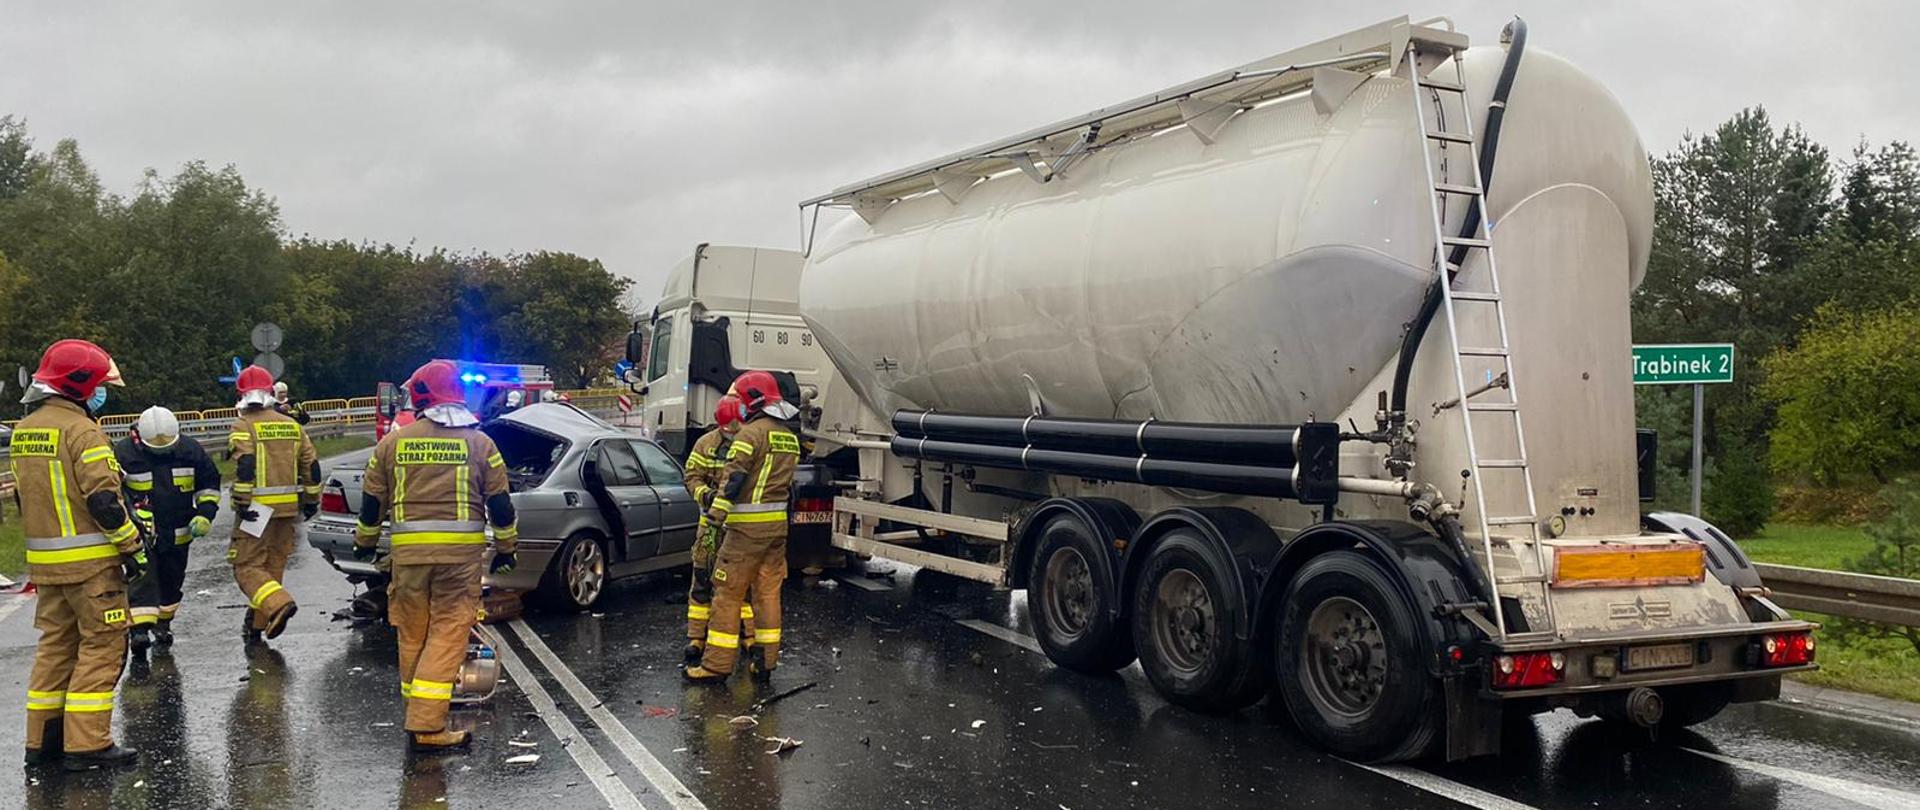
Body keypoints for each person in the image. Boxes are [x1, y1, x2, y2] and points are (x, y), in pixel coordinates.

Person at [355, 359, 518, 752]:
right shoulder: (481, 444)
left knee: (413, 633)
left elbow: (371, 503)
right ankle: (427, 726)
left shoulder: (392, 443)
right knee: (447, 634)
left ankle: (417, 711)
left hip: (408, 559)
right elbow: (499, 504)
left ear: (421, 395)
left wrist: (365, 542)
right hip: (458, 562)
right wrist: (507, 549)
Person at [17, 339, 145, 770]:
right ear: (81, 385)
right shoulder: (82, 431)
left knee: (56, 649)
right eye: (99, 385)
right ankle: (87, 745)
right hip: (91, 567)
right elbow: (105, 503)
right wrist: (133, 546)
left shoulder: (26, 428)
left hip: (47, 566)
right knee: (103, 647)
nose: (102, 393)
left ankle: (42, 744)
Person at [686, 371, 801, 683]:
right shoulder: (788, 436)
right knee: (768, 594)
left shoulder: (749, 436)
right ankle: (765, 663)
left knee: (727, 593)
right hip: (776, 531)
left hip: (744, 532)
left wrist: (714, 517)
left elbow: (733, 481)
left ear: (751, 401)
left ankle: (715, 666)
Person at [116, 406, 221, 654]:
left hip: (179, 530)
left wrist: (205, 515)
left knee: (172, 580)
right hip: (141, 533)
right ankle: (139, 632)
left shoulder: (190, 451)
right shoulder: (124, 453)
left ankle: (163, 625)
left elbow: (208, 485)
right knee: (142, 580)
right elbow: (114, 492)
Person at [228, 365, 320, 645]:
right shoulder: (292, 425)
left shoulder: (243, 425)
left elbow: (245, 466)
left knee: (246, 565)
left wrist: (243, 503)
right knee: (272, 565)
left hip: (257, 510)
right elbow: (312, 466)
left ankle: (278, 603)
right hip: (287, 510)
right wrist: (311, 501)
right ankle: (260, 624)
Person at [681, 394, 753, 666]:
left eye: (737, 426)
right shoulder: (706, 444)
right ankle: (696, 638)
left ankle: (749, 636)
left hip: (740, 528)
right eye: (728, 427)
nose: (733, 432)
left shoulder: (750, 441)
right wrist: (705, 495)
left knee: (742, 583)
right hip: (710, 526)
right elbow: (691, 477)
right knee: (701, 579)